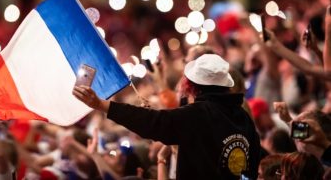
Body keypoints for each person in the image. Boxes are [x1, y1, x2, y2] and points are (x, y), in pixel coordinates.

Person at [73, 54, 261, 179]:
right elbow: (251, 167)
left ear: (192, 86)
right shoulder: (242, 116)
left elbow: (151, 122)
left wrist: (101, 105)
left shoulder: (197, 115)